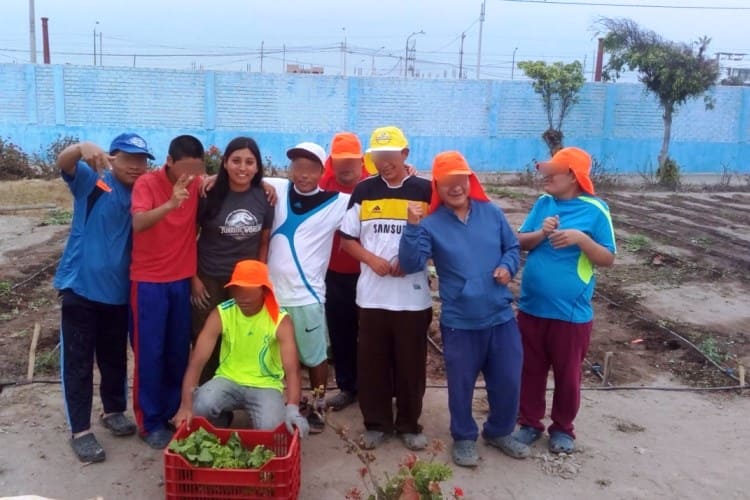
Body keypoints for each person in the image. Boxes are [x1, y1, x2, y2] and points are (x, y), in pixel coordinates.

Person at [399, 151, 529, 467]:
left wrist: (507, 267)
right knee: (461, 385)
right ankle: (465, 437)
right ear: (438, 188)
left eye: (461, 181)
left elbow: (512, 247)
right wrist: (412, 227)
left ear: (469, 181)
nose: (456, 188)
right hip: (461, 322)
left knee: (509, 380)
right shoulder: (430, 225)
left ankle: (499, 431)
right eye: (448, 183)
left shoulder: (492, 213)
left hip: (500, 316)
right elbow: (410, 264)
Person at [54, 133, 152, 463]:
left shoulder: (144, 193)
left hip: (119, 293)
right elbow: (64, 163)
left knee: (114, 358)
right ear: (112, 158)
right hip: (80, 288)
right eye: (129, 159)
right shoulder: (92, 181)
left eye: (142, 161)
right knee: (78, 363)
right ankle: (80, 431)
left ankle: (112, 411)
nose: (137, 167)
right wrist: (80, 148)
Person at [513, 147, 616, 454]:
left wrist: (582, 240)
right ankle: (529, 423)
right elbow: (519, 241)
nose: (544, 176)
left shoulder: (596, 209)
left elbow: (608, 258)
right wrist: (541, 234)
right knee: (529, 370)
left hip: (570, 313)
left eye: (552, 172)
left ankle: (563, 428)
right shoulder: (543, 203)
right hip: (531, 306)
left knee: (567, 375)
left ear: (573, 176)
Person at [339, 126, 432, 451]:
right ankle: (376, 423)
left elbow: (436, 237)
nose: (385, 163)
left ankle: (409, 423)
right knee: (372, 363)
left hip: (413, 296)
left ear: (405, 154)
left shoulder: (425, 189)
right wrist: (371, 259)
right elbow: (347, 239)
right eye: (379, 158)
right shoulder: (364, 190)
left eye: (391, 156)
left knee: (410, 365)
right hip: (372, 296)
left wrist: (413, 261)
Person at [265, 142, 350, 433]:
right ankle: (280, 403)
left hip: (308, 297)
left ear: (321, 172)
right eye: (298, 168)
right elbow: (237, 176)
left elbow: (372, 199)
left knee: (315, 358)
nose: (303, 175)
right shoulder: (275, 187)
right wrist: (212, 177)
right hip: (272, 297)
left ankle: (316, 404)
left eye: (311, 169)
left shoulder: (338, 202)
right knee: (273, 356)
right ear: (290, 169)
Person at [172, 260, 309, 438]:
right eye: (238, 290)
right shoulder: (222, 313)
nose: (243, 297)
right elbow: (197, 362)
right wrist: (185, 406)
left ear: (264, 290)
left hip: (265, 384)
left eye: (249, 291)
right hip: (228, 379)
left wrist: (292, 408)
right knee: (200, 405)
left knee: (272, 429)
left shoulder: (280, 320)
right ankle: (221, 418)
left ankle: (260, 417)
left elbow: (292, 370)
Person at [130, 135, 206, 449]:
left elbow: (228, 181)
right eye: (185, 169)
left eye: (197, 170)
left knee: (178, 352)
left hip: (180, 281)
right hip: (148, 282)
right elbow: (138, 223)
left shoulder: (199, 182)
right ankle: (149, 422)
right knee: (150, 354)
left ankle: (175, 413)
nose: (190, 176)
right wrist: (171, 203)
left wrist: (268, 186)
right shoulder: (147, 184)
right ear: (170, 162)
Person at [192, 137, 274, 384]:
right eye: (236, 160)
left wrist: (258, 281)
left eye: (250, 162)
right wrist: (193, 279)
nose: (242, 167)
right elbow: (189, 238)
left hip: (244, 282)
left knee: (240, 338)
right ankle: (206, 395)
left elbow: (263, 242)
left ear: (257, 167)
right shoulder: (207, 193)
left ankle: (235, 393)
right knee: (206, 338)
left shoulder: (265, 196)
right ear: (225, 162)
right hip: (209, 278)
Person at [319, 132, 371, 411]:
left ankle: (375, 386)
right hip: (334, 272)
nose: (346, 166)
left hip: (372, 272)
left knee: (372, 333)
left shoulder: (374, 183)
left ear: (361, 161)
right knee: (340, 331)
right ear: (332, 161)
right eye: (340, 160)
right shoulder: (322, 183)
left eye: (352, 160)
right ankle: (347, 386)